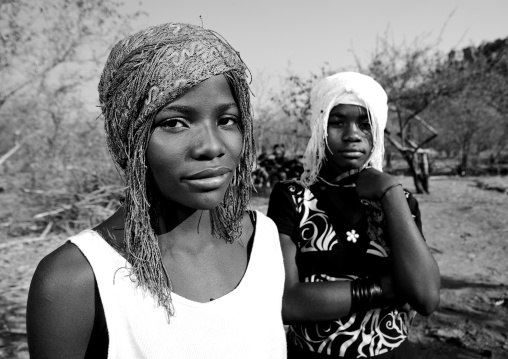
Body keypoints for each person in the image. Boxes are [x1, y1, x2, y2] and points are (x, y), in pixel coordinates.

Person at [26, 23, 286, 359]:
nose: (212, 146)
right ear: (130, 139)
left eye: (227, 120)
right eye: (174, 123)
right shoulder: (74, 281)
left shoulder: (262, 241)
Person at [267, 72, 440, 358]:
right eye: (337, 122)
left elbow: (425, 298)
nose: (352, 135)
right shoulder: (294, 198)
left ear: (379, 130)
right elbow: (288, 303)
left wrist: (390, 193)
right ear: (319, 126)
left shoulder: (400, 200)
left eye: (365, 123)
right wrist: (386, 288)